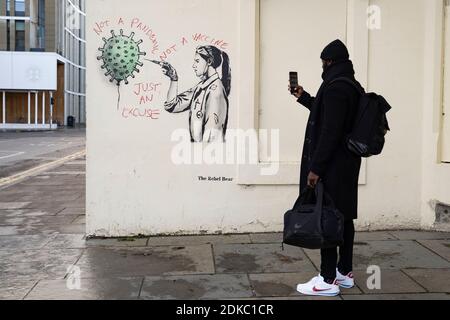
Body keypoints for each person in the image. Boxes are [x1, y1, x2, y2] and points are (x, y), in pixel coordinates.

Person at [289, 39, 363, 297]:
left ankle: (327, 279)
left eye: (323, 61)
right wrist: (305, 98)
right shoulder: (351, 86)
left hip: (331, 166)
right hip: (348, 164)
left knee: (327, 217)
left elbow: (330, 132)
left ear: (329, 61)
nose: (322, 65)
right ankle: (344, 273)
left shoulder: (334, 89)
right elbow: (330, 117)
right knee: (344, 217)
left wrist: (315, 168)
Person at [159, 45, 231, 143]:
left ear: (209, 62)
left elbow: (212, 138)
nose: (193, 65)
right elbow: (172, 106)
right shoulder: (201, 87)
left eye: (197, 61)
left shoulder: (215, 92)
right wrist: (174, 78)